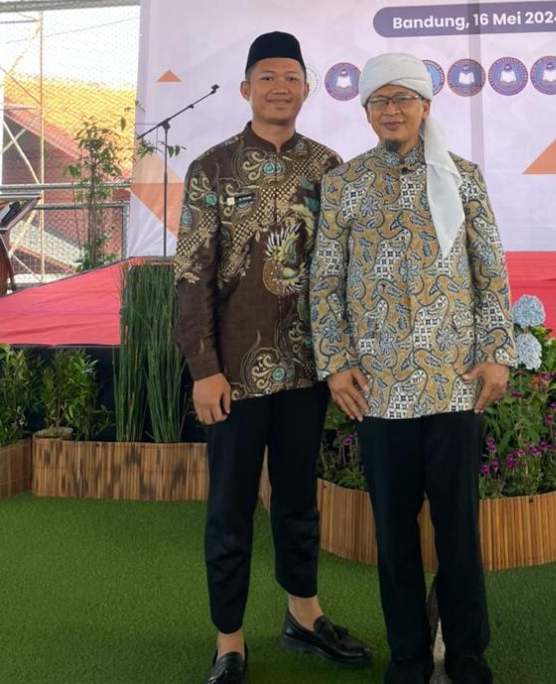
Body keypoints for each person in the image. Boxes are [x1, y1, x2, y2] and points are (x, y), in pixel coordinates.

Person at [309, 52, 517, 684]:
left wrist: (496, 352)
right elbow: (325, 282)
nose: (391, 109)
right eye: (380, 100)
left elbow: (490, 269)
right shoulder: (344, 184)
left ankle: (468, 649)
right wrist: (336, 364)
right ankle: (407, 654)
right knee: (393, 534)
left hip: (454, 383)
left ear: (426, 106)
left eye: (403, 98)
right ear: (366, 111)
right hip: (377, 390)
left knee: (458, 530)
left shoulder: (463, 177)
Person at [173, 31, 372, 684]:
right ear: (246, 89)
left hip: (308, 370)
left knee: (298, 501)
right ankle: (228, 642)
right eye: (267, 77)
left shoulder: (328, 167)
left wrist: (341, 357)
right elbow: (191, 276)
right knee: (229, 509)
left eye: (291, 77)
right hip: (232, 374)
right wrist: (204, 368)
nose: (279, 88)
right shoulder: (212, 169)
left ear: (307, 89)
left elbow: (340, 270)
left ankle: (304, 616)